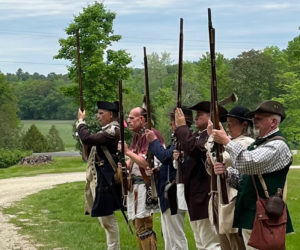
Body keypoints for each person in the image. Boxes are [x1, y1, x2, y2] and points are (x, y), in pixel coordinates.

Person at [210, 100, 294, 249]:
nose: (254, 121)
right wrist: (226, 172)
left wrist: (226, 142)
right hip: (254, 215)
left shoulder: (278, 145)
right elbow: (244, 180)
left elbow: (249, 163)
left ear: (273, 122)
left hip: (266, 216)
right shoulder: (259, 144)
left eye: (259, 118)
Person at [174, 101, 226, 250]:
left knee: (211, 243)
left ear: (211, 118)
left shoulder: (212, 136)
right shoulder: (199, 135)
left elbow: (195, 150)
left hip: (206, 195)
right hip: (195, 195)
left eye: (200, 115)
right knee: (200, 243)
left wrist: (182, 127)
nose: (196, 118)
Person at [206, 106, 255, 250]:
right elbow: (215, 167)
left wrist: (211, 137)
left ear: (244, 124)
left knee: (236, 244)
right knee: (224, 244)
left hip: (233, 200)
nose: (228, 126)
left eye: (231, 122)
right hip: (221, 197)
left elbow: (224, 160)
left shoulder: (246, 142)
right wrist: (211, 164)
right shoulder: (231, 142)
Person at [76, 101, 122, 250]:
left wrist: (81, 122)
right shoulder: (107, 130)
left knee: (107, 219)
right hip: (101, 178)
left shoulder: (113, 130)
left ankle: (113, 248)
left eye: (101, 113)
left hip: (107, 179)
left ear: (111, 115)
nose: (98, 116)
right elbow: (89, 144)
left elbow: (88, 138)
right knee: (104, 219)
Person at [145, 107, 192, 250]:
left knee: (176, 236)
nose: (171, 125)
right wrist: (157, 170)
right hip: (169, 191)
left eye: (173, 123)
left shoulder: (185, 140)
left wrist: (153, 141)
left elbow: (166, 157)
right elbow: (170, 163)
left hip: (174, 192)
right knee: (169, 235)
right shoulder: (178, 140)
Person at [119, 107, 164, 250]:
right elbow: (133, 159)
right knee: (139, 226)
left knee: (144, 226)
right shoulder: (137, 136)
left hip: (145, 186)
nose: (128, 121)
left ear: (142, 119)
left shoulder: (151, 134)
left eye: (132, 118)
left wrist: (126, 152)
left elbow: (146, 163)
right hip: (136, 186)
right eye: (129, 118)